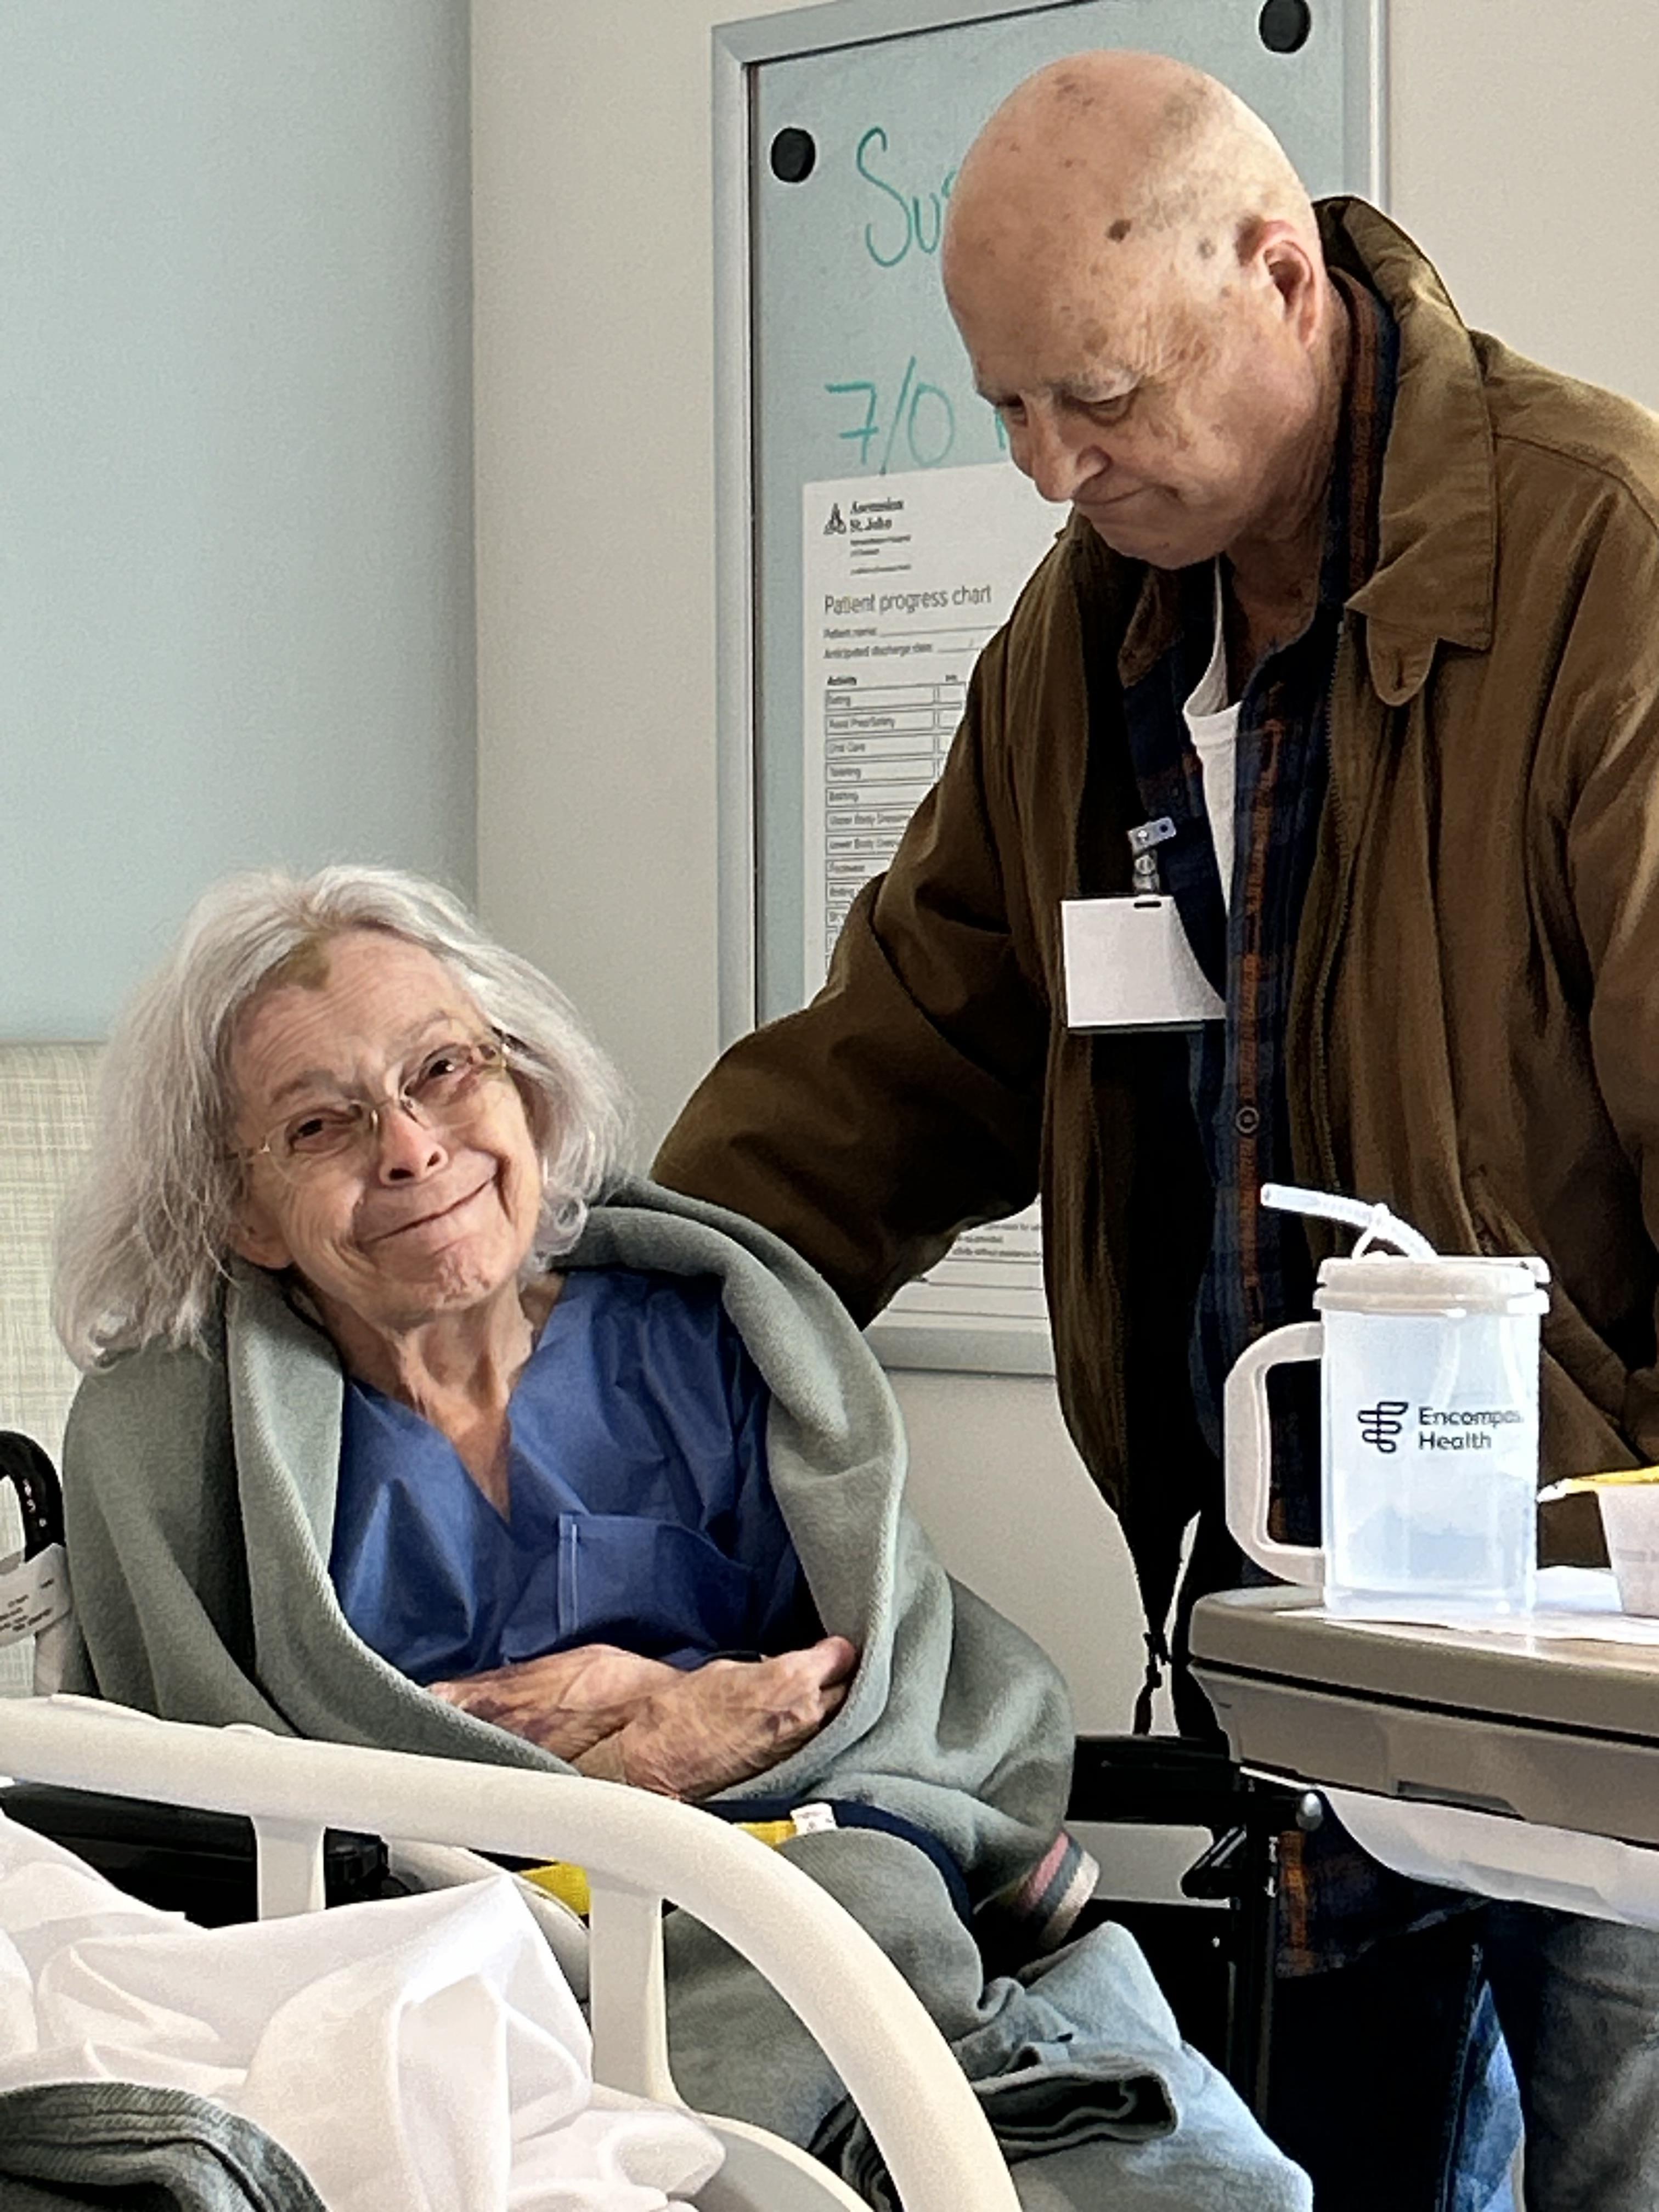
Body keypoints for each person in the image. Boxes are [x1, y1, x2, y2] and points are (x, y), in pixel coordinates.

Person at [652, 47, 1659, 2212]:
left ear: (1275, 275)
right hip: (1287, 1659)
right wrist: (604, 1343)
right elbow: (907, 1050)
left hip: (1593, 1683)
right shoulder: (1095, 640)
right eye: (1004, 402)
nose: (1042, 463)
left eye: (1089, 396)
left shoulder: (1606, 561)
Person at [52, 862, 1311, 2212]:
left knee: (1163, 2146)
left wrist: (632, 1706)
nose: (411, 1147)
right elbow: (183, 1819)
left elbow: (860, 1688)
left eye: (444, 1072)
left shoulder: (708, 1336)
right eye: (320, 1125)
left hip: (796, 1903)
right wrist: (630, 1773)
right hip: (447, 1971)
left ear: (526, 1089)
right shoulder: (171, 1438)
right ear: (243, 1211)